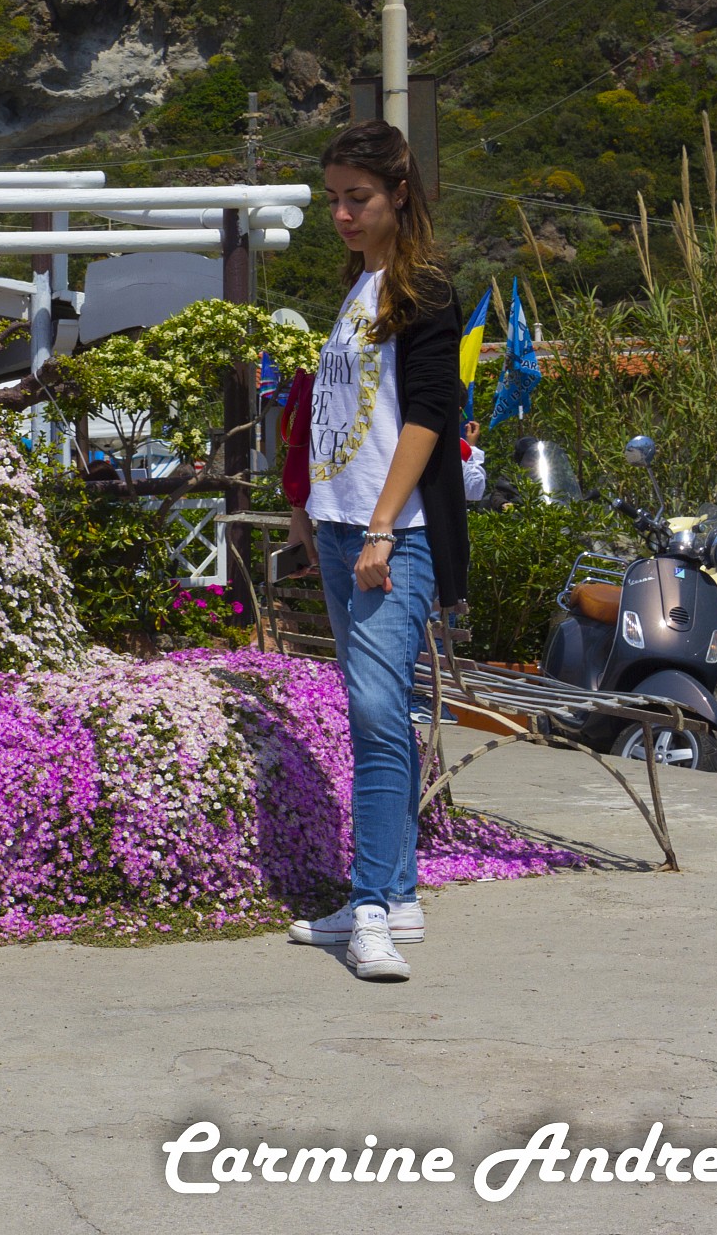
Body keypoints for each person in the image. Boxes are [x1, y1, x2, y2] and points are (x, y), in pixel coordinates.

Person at [277, 121, 467, 983]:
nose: (343, 215)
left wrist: (384, 526)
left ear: (398, 195)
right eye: (334, 201)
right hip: (342, 526)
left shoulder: (424, 289)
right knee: (372, 716)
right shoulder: (362, 287)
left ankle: (372, 915)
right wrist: (313, 506)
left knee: (381, 719)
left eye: (358, 198)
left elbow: (428, 416)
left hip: (398, 537)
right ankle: (399, 893)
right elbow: (343, 416)